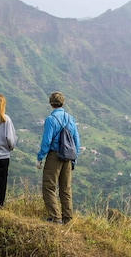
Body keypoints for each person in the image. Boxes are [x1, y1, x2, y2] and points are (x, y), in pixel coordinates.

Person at [36, 91, 80, 224]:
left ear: (50, 103)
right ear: (62, 102)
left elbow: (46, 141)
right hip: (68, 157)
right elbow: (76, 139)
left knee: (49, 186)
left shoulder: (51, 119)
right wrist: (74, 158)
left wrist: (40, 157)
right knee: (65, 188)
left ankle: (55, 217)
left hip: (55, 156)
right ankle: (68, 218)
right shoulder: (69, 118)